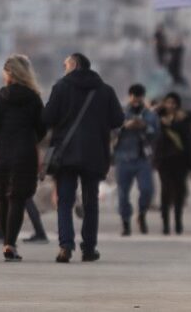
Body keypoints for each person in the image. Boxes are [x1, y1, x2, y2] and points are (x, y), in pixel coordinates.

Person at [42, 53, 124, 263]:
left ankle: (65, 247)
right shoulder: (105, 90)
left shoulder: (60, 87)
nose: (64, 67)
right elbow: (118, 120)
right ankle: (88, 249)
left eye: (65, 64)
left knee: (65, 202)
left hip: (66, 154)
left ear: (75, 65)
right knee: (90, 203)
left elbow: (47, 118)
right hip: (95, 154)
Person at [0, 54, 46, 261]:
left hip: (0, 153)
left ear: (7, 74)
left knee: (3, 197)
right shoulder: (34, 99)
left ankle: (5, 242)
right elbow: (42, 129)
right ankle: (10, 244)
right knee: (17, 198)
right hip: (24, 153)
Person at [113, 84, 160, 236]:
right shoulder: (120, 112)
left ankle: (142, 214)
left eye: (139, 96)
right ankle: (125, 222)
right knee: (123, 193)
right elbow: (112, 130)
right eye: (133, 96)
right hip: (123, 157)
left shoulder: (150, 115)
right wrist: (125, 126)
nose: (136, 100)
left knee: (147, 190)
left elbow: (156, 135)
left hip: (142, 158)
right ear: (129, 96)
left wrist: (144, 126)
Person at [154, 92, 191, 235]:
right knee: (165, 192)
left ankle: (178, 222)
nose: (171, 105)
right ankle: (165, 224)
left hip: (180, 161)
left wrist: (171, 124)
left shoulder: (184, 119)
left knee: (179, 193)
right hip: (164, 161)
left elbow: (187, 138)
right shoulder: (159, 117)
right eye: (168, 102)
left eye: (173, 103)